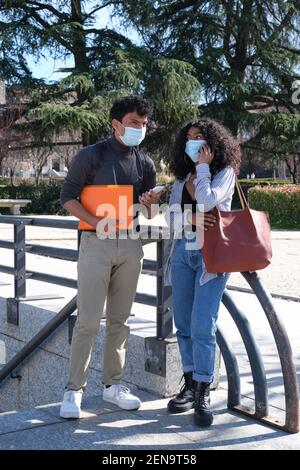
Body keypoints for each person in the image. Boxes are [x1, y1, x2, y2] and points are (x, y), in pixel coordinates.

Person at [59, 95, 162, 418]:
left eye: (144, 124)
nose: (140, 129)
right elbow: (67, 198)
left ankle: (112, 386)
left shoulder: (145, 162)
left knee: (120, 321)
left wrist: (150, 203)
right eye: (134, 123)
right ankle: (73, 391)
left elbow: (150, 212)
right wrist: (95, 221)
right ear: (116, 123)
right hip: (95, 243)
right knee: (88, 321)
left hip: (131, 245)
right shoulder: (90, 155)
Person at [164, 118, 241, 426]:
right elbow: (170, 218)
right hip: (183, 252)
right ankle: (190, 385)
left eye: (201, 138)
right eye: (190, 138)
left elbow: (209, 200)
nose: (194, 143)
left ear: (214, 145)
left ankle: (203, 389)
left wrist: (205, 168)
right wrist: (192, 220)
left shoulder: (224, 173)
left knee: (202, 326)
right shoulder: (182, 179)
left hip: (212, 257)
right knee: (182, 323)